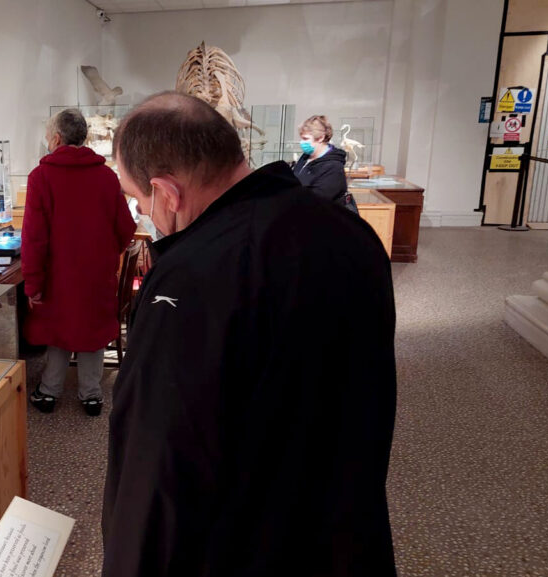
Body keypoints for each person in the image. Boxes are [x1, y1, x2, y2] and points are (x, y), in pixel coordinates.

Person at [103, 92, 397, 576]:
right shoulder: (353, 236)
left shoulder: (189, 276)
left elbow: (158, 459)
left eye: (138, 199)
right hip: (345, 533)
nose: (144, 212)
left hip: (237, 548)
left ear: (167, 192)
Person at [22, 108, 136, 416]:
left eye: (48, 137)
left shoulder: (40, 177)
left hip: (57, 276)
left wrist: (33, 283)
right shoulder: (107, 177)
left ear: (57, 139)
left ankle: (49, 392)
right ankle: (91, 395)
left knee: (58, 329)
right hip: (97, 274)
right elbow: (126, 227)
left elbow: (34, 238)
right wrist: (104, 252)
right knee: (92, 330)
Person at [292, 115, 359, 214]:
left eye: (305, 139)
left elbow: (317, 200)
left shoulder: (334, 167)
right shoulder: (305, 157)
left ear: (320, 138)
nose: (302, 142)